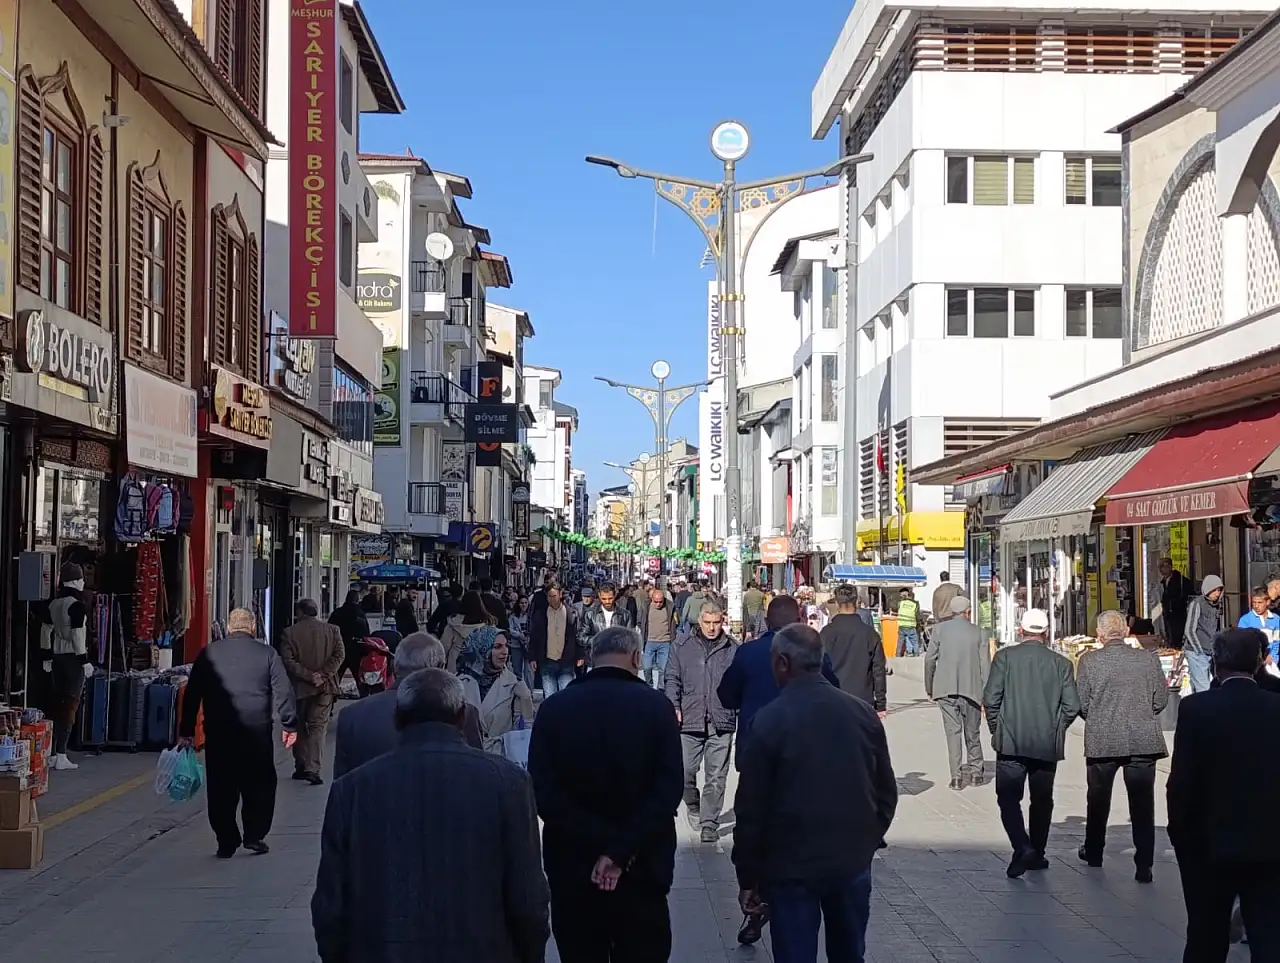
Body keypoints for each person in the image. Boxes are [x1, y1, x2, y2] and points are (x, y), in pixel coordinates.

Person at [313, 668, 549, 962]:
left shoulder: (353, 789)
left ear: (398, 718)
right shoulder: (508, 783)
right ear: (462, 717)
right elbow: (527, 895)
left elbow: (330, 901)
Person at [732, 624, 898, 963]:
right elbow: (886, 793)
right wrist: (866, 839)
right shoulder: (861, 713)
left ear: (781, 663)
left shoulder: (769, 720)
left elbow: (751, 808)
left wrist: (748, 876)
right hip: (849, 860)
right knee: (849, 953)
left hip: (790, 864)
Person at [528, 626, 684, 963]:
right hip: (642, 866)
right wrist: (619, 850)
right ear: (637, 657)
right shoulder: (657, 708)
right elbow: (668, 789)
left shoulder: (555, 709)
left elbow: (544, 792)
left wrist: (600, 846)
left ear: (592, 659)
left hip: (574, 866)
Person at [1168, 627, 1280, 962]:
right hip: (1269, 843)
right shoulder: (1276, 707)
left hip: (1208, 845)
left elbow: (1182, 781)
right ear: (1260, 662)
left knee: (1205, 934)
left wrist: (1181, 834)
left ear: (1215, 663)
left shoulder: (1195, 709)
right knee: (1269, 935)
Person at [178, 608, 297, 858]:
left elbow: (192, 694)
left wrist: (186, 730)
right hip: (257, 733)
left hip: (219, 733)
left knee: (221, 786)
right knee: (260, 784)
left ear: (229, 628)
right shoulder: (267, 654)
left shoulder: (209, 653)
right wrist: (289, 724)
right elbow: (283, 691)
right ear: (252, 627)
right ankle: (254, 834)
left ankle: (226, 839)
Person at [983, 608, 1081, 879]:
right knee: (1042, 800)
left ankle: (1022, 846)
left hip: (1011, 742)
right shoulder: (1061, 664)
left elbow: (991, 699)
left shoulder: (1004, 658)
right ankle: (1036, 852)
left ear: (1020, 630)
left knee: (1008, 799)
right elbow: (1072, 706)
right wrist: (1057, 728)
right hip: (1045, 745)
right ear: (1046, 632)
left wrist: (998, 728)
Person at [1075, 610, 1169, 883]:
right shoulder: (1147, 660)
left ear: (1100, 635)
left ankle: (1094, 851)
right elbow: (1161, 699)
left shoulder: (1089, 661)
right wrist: (1139, 714)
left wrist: (1100, 717)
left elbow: (1082, 703)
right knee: (1142, 803)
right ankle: (1144, 864)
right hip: (1142, 738)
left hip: (1103, 739)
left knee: (1098, 799)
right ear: (1126, 632)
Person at [333, 633, 482, 778]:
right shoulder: (463, 713)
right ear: (440, 668)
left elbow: (341, 788)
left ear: (394, 665)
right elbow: (477, 774)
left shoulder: (352, 716)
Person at [665, 602, 737, 843]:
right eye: (707, 623)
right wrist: (673, 705)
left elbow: (740, 684)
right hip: (690, 718)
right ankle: (693, 805)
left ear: (722, 621)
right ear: (699, 621)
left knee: (716, 776)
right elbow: (672, 677)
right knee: (685, 771)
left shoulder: (733, 649)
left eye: (716, 623)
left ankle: (709, 823)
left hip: (721, 719)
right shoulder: (682, 646)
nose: (712, 628)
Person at [925, 596, 990, 791]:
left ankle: (956, 777)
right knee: (973, 732)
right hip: (972, 690)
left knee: (952, 732)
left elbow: (929, 660)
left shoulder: (939, 630)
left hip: (945, 689)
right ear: (968, 612)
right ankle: (976, 772)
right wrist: (986, 694)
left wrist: (930, 686)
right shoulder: (980, 633)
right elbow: (985, 666)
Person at [279, 598, 345, 786]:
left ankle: (300, 765)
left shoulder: (289, 633)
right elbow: (340, 655)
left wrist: (308, 676)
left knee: (298, 726)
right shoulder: (332, 631)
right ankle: (313, 768)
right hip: (324, 688)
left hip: (299, 689)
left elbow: (288, 661)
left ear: (300, 612)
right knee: (318, 727)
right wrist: (324, 675)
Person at [457, 619, 534, 754]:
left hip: (500, 759)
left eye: (506, 646)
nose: (505, 652)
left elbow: (525, 733)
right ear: (482, 649)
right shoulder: (460, 683)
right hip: (466, 759)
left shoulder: (515, 685)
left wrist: (525, 699)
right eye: (497, 647)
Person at [45, 562, 92, 771]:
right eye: (81, 579)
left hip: (56, 658)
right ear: (75, 581)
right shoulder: (77, 605)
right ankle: (62, 754)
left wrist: (46, 656)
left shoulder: (54, 604)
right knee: (71, 705)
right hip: (73, 660)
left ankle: (53, 752)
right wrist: (85, 661)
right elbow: (77, 634)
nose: (83, 582)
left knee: (57, 704)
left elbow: (45, 631)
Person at [821, 583, 887, 716]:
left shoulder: (826, 633)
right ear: (857, 603)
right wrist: (880, 704)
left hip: (833, 700)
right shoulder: (870, 634)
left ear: (837, 605)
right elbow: (878, 670)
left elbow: (818, 667)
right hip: (863, 701)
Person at [529, 583, 583, 698]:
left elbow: (578, 635)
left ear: (560, 594)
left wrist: (580, 655)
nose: (552, 599)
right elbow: (534, 636)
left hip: (566, 661)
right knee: (550, 697)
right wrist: (532, 657)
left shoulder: (571, 613)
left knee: (566, 696)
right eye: (549, 596)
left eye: (554, 596)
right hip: (547, 660)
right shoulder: (540, 614)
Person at [1184, 574, 1225, 693]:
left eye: (1219, 590)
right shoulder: (1197, 604)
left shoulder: (1217, 606)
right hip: (1196, 652)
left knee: (1202, 687)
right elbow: (1190, 629)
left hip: (1210, 652)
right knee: (1204, 688)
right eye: (1214, 590)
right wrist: (1198, 650)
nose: (1217, 593)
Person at [579, 582, 635, 667]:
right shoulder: (590, 614)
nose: (607, 602)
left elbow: (631, 638)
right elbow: (581, 636)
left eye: (610, 598)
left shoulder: (625, 615)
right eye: (604, 599)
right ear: (599, 596)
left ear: (615, 595)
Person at [329, 588, 371, 696]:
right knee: (359, 678)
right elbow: (365, 633)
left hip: (339, 649)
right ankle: (364, 699)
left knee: (335, 678)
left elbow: (329, 631)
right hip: (356, 650)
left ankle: (330, 702)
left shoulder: (337, 613)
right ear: (357, 600)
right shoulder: (359, 614)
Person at [440, 590, 494, 673]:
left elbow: (444, 647)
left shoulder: (454, 623)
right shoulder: (488, 623)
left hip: (456, 664)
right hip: (480, 665)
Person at [637, 585, 677, 690]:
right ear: (652, 599)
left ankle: (660, 689)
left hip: (665, 642)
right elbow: (639, 620)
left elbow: (676, 622)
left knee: (663, 669)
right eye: (656, 601)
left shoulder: (670, 607)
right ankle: (649, 686)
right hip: (649, 641)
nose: (658, 604)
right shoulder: (645, 606)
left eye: (661, 601)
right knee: (646, 667)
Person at [1238, 584, 1280, 666]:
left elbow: (1276, 641)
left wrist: (1273, 657)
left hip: (1270, 662)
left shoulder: (1276, 619)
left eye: (1260, 602)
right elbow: (1241, 644)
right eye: (1254, 602)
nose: (1256, 606)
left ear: (1267, 602)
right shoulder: (1245, 620)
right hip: (1251, 664)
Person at [1159, 557, 1192, 650]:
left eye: (1163, 566)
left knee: (1177, 638)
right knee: (1170, 637)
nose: (1160, 570)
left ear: (1169, 567)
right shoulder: (1165, 581)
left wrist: (1173, 605)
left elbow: (1185, 596)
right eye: (1160, 567)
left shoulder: (1180, 581)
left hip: (1178, 615)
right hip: (1168, 615)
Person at [896, 589, 921, 657]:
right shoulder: (915, 604)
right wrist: (920, 623)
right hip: (911, 626)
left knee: (900, 642)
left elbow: (898, 610)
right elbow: (917, 615)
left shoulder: (901, 602)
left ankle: (897, 655)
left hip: (902, 625)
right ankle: (916, 654)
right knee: (915, 642)